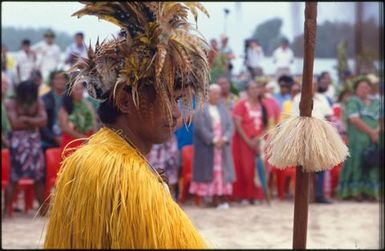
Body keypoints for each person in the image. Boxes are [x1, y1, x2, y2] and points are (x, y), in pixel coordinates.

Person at [44, 2, 210, 248]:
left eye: (177, 100)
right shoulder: (123, 176)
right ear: (124, 101)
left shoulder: (95, 158)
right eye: (167, 99)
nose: (176, 113)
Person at [3, 80, 47, 217]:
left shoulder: (38, 102)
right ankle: (6, 211)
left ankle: (43, 211)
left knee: (38, 178)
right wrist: (33, 123)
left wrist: (25, 119)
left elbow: (44, 121)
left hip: (33, 144)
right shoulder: (12, 103)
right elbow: (14, 124)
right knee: (13, 178)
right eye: (26, 93)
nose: (28, 96)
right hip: (18, 144)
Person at [189, 84, 235, 209]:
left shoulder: (223, 109)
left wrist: (224, 139)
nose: (216, 96)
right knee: (209, 172)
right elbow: (200, 128)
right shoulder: (201, 109)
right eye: (214, 93)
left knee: (221, 171)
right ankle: (211, 198)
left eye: (218, 94)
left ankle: (221, 198)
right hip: (208, 147)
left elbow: (230, 126)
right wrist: (214, 140)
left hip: (222, 147)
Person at [337, 78, 380, 201]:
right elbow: (354, 120)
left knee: (373, 164)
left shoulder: (376, 102)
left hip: (375, 139)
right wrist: (371, 132)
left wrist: (377, 131)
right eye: (361, 87)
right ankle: (355, 192)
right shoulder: (353, 101)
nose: (364, 89)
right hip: (357, 139)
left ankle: (372, 192)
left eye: (366, 87)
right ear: (356, 90)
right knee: (357, 163)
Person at [292, 78, 334, 204]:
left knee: (321, 166)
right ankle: (303, 195)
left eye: (315, 84)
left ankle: (319, 195)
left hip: (321, 134)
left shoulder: (322, 98)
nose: (313, 86)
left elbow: (328, 117)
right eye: (310, 84)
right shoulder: (297, 98)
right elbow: (295, 118)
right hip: (304, 135)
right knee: (303, 167)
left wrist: (328, 132)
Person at [232, 80, 268, 205]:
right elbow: (237, 124)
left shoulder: (262, 105)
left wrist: (258, 140)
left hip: (258, 141)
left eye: (256, 88)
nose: (254, 90)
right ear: (247, 91)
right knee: (245, 169)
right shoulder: (241, 104)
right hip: (244, 142)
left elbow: (265, 125)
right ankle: (245, 196)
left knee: (258, 169)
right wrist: (248, 141)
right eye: (252, 88)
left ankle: (257, 196)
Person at [58, 83, 96, 155]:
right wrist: (83, 138)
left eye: (81, 88)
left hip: (88, 141)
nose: (80, 91)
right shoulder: (66, 107)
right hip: (71, 143)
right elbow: (65, 128)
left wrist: (93, 138)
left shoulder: (88, 105)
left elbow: (94, 122)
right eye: (77, 89)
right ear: (70, 91)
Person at [40, 70, 68, 151]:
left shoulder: (71, 98)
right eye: (57, 79)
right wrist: (54, 138)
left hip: (69, 137)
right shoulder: (43, 99)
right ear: (52, 81)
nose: (61, 81)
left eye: (63, 79)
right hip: (49, 140)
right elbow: (42, 124)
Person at [147, 134, 180, 200]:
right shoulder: (152, 136)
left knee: (170, 183)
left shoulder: (172, 137)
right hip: (155, 167)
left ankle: (171, 200)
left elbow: (174, 153)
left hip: (169, 166)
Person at [1, 72, 10, 148]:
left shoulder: (6, 102)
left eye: (6, 84)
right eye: (2, 83)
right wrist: (7, 144)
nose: (5, 86)